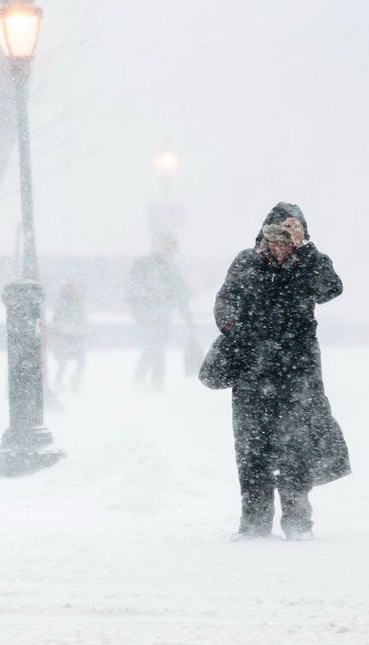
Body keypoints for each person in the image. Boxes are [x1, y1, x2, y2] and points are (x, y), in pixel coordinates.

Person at [213, 202, 351, 541]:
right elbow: (224, 301)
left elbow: (330, 288)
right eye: (273, 236)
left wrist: (308, 251)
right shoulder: (246, 262)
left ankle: (298, 523)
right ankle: (255, 525)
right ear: (263, 236)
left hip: (297, 373)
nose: (279, 245)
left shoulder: (309, 263)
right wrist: (235, 329)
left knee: (297, 447)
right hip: (252, 371)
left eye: (287, 238)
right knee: (251, 449)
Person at [127, 231, 193, 390]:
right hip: (151, 313)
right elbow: (137, 289)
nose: (172, 248)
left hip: (158, 313)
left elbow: (179, 291)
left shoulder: (167, 264)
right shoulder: (148, 263)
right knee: (155, 346)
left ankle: (145, 379)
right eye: (169, 244)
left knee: (154, 346)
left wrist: (185, 311)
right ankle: (154, 381)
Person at [49, 282, 89, 392]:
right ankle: (60, 382)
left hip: (75, 337)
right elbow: (56, 321)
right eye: (71, 290)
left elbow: (83, 319)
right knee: (63, 363)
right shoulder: (62, 305)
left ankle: (73, 382)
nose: (73, 293)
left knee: (80, 361)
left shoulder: (79, 305)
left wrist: (82, 328)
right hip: (64, 337)